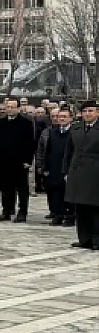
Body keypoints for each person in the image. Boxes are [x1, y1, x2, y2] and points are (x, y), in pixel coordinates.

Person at [0, 98, 37, 223]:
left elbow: (30, 143)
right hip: (3, 161)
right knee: (6, 189)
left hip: (20, 162)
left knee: (22, 188)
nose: (10, 109)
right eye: (8, 107)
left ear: (18, 108)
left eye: (13, 107)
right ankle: (6, 211)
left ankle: (22, 212)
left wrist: (28, 160)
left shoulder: (26, 123)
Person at [63, 100, 98, 250]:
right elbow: (68, 152)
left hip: (95, 172)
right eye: (85, 111)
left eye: (91, 111)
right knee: (81, 208)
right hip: (77, 172)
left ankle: (96, 239)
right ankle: (84, 238)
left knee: (96, 209)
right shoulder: (76, 128)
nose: (88, 114)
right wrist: (65, 171)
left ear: (97, 112)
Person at [36, 109, 73, 226]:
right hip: (54, 166)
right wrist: (45, 167)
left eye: (64, 116)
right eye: (59, 116)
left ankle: (70, 216)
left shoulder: (74, 132)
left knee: (68, 193)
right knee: (56, 192)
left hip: (69, 167)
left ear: (70, 118)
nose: (61, 119)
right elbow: (48, 151)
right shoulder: (52, 132)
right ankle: (58, 215)